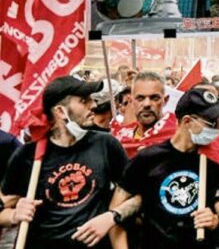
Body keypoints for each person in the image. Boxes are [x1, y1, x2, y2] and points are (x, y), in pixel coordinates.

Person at [0, 76, 129, 248]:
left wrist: (112, 216)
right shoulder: (28, 155)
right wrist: (15, 215)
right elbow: (3, 208)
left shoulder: (106, 145)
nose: (94, 105)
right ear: (60, 111)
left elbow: (136, 196)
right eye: (84, 100)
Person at [110, 88, 219, 249]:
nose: (217, 127)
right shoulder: (147, 159)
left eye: (218, 121)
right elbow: (114, 212)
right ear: (187, 121)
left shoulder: (214, 158)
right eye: (211, 122)